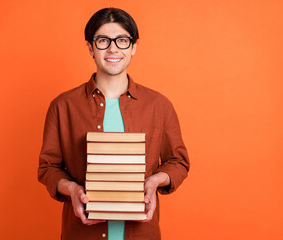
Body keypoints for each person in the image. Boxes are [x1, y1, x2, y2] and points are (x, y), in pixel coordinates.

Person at [38, 7, 190, 240]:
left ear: (133, 47)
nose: (113, 48)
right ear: (90, 47)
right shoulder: (63, 106)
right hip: (81, 233)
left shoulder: (159, 105)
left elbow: (178, 162)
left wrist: (155, 180)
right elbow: (48, 168)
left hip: (141, 233)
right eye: (103, 40)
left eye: (122, 40)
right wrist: (72, 189)